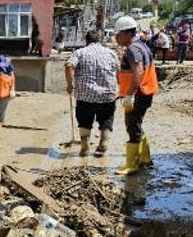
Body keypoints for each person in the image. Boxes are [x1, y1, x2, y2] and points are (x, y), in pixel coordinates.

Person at [114, 16, 158, 175]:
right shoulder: (142, 46)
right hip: (146, 91)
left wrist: (130, 95)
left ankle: (132, 165)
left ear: (126, 33)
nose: (116, 38)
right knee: (137, 124)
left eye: (117, 35)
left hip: (138, 93)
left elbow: (138, 71)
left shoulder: (133, 49)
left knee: (132, 126)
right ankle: (145, 159)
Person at [64, 30, 119, 157]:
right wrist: (118, 86)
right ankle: (104, 143)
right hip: (108, 95)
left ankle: (85, 146)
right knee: (106, 120)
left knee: (84, 121)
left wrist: (70, 84)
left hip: (85, 95)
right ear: (100, 40)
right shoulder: (111, 53)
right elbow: (119, 69)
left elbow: (69, 66)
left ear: (86, 40)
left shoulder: (80, 53)